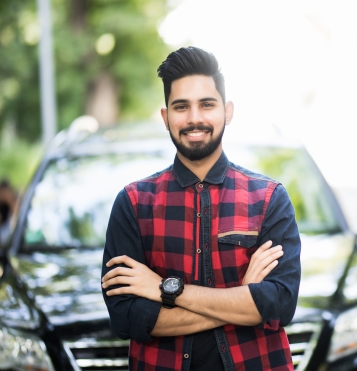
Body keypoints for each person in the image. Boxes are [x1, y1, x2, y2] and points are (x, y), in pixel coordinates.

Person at [101, 46, 301, 371]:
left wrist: (163, 290)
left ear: (228, 111)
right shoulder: (134, 204)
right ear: (166, 118)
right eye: (181, 107)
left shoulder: (268, 198)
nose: (195, 118)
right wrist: (241, 298)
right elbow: (127, 318)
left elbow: (279, 304)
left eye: (206, 104)